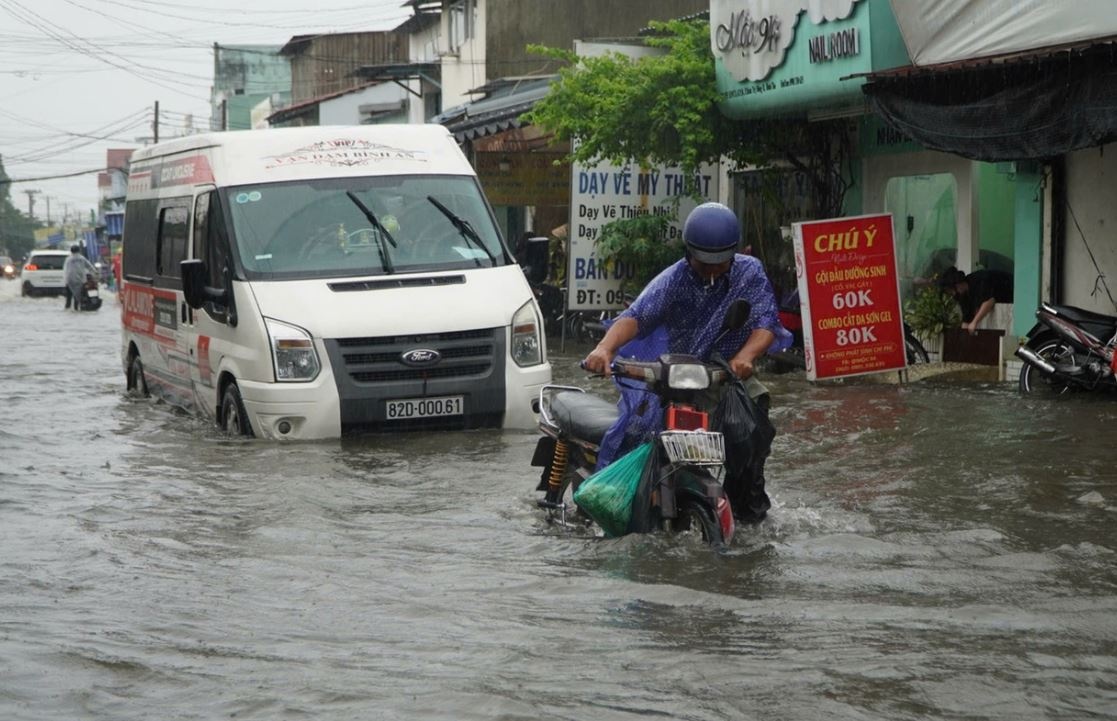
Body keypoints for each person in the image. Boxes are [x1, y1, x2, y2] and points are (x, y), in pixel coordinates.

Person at [583, 202, 791, 523]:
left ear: (733, 254)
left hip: (727, 374)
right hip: (681, 376)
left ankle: (749, 515)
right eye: (703, 262)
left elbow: (766, 323)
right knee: (642, 439)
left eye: (719, 264)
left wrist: (745, 357)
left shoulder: (750, 272)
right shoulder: (673, 280)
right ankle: (631, 504)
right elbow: (636, 317)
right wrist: (604, 348)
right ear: (688, 252)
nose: (710, 270)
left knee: (751, 431)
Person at [939, 266, 1013, 334]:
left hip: (1012, 292)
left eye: (952, 291)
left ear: (958, 284)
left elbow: (989, 301)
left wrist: (974, 322)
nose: (953, 294)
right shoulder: (962, 296)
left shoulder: (979, 280)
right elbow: (966, 319)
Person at [63, 244, 97, 312]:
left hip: (70, 280)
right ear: (78, 250)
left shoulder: (68, 259)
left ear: (71, 251)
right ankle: (76, 309)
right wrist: (95, 273)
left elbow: (65, 270)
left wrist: (65, 281)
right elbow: (89, 266)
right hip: (80, 280)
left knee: (69, 297)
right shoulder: (82, 258)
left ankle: (67, 308)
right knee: (78, 295)